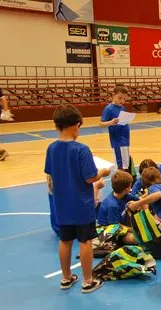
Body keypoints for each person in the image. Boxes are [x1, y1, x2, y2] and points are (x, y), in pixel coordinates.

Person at [45, 104, 110, 293]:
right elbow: (90, 177)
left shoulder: (52, 148)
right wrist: (103, 172)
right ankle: (88, 281)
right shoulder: (81, 149)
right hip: (82, 204)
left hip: (62, 204)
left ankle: (66, 278)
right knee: (85, 241)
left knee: (65, 241)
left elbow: (50, 175)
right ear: (76, 125)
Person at [97, 171, 138, 244]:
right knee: (136, 238)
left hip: (119, 223)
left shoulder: (124, 195)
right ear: (126, 189)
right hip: (109, 231)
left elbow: (139, 200)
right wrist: (135, 230)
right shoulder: (112, 205)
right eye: (130, 185)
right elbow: (116, 227)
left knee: (135, 206)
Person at [100, 85, 131, 172]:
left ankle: (125, 183)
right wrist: (111, 122)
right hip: (118, 141)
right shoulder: (109, 109)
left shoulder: (122, 108)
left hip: (125, 140)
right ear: (113, 95)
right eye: (120, 98)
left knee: (125, 165)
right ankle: (120, 183)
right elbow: (101, 123)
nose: (122, 101)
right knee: (120, 166)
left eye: (124, 99)